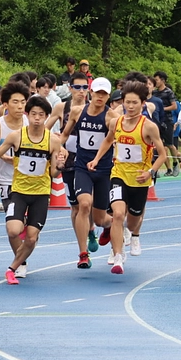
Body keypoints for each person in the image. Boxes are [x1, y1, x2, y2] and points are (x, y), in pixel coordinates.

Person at [87, 80, 168, 274]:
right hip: (119, 174)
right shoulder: (116, 122)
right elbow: (108, 140)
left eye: (134, 103)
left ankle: (131, 234)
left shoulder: (149, 127)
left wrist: (150, 172)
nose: (130, 106)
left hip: (140, 179)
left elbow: (163, 155)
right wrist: (96, 159)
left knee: (131, 223)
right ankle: (117, 256)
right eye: (127, 102)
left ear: (143, 104)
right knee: (117, 214)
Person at [0, 96, 64, 284]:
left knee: (32, 238)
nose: (37, 118)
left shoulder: (52, 141)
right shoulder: (17, 136)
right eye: (33, 114)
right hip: (19, 191)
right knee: (13, 230)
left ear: (46, 117)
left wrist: (59, 167)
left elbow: (53, 172)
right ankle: (22, 237)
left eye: (41, 115)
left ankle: (12, 268)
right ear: (28, 115)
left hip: (41, 194)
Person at [65, 77, 114, 269]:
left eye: (104, 94)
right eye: (97, 92)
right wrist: (58, 148)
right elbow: (65, 134)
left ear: (108, 96)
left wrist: (97, 159)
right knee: (84, 204)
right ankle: (83, 253)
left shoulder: (111, 117)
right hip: (82, 167)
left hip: (103, 169)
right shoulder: (77, 112)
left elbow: (109, 141)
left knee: (100, 219)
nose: (100, 97)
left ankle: (112, 225)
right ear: (90, 92)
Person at [48, 71, 89, 244]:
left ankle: (90, 228)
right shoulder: (62, 107)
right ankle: (82, 241)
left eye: (85, 87)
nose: (81, 91)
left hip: (89, 160)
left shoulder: (94, 107)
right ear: (70, 88)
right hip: (69, 161)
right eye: (77, 87)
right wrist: (55, 139)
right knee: (76, 206)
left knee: (88, 203)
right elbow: (44, 129)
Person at [0, 82, 29, 219]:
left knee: (29, 224)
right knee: (14, 222)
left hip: (30, 179)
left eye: (23, 102)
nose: (20, 106)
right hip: (7, 179)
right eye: (15, 102)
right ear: (5, 104)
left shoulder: (29, 122)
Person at [151, 71, 180, 175]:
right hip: (157, 121)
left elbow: (174, 106)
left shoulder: (168, 92)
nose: (155, 82)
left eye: (157, 80)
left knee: (170, 144)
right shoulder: (154, 93)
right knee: (158, 145)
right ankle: (158, 168)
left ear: (163, 80)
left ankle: (175, 162)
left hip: (167, 121)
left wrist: (162, 109)